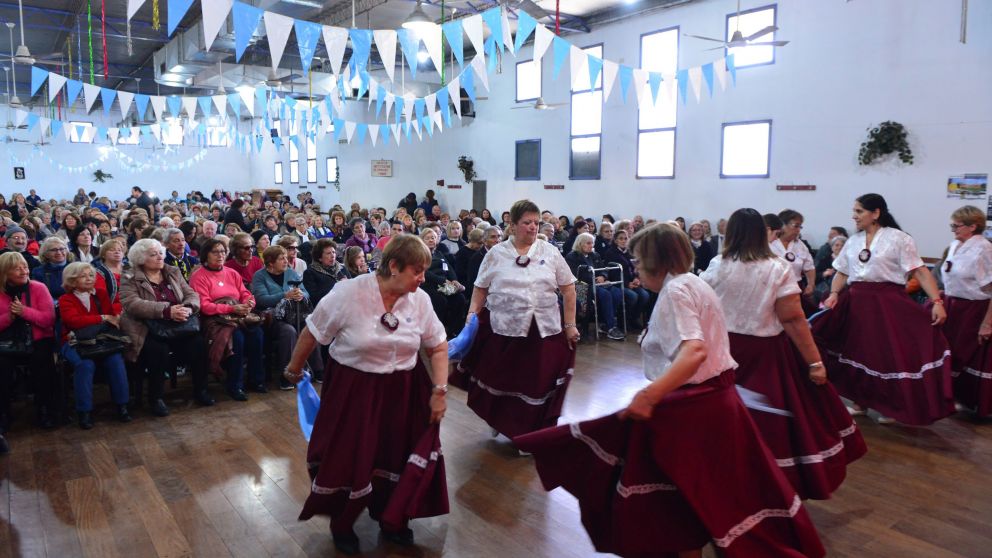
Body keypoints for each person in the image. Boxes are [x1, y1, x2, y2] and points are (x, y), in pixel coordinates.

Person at [514, 223, 825, 558]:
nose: (633, 265)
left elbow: (695, 351)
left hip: (694, 407)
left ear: (655, 261)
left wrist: (649, 395)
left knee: (676, 493)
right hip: (709, 401)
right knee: (688, 496)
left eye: (637, 258)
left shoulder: (677, 291)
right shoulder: (694, 282)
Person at [285, 234, 450, 555]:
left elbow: (438, 346)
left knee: (396, 454)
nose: (423, 278)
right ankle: (343, 523)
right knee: (351, 453)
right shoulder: (348, 292)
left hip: (404, 387)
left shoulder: (420, 300)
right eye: (417, 270)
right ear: (393, 266)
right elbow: (313, 332)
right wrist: (294, 368)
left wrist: (440, 390)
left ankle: (393, 519)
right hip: (354, 388)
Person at [701, 209, 866, 499]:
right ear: (763, 233)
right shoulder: (775, 267)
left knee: (727, 414)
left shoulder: (718, 263)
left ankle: (727, 475)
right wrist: (814, 362)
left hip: (723, 350)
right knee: (771, 420)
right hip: (763, 352)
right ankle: (765, 481)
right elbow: (792, 319)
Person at [814, 193, 953, 425]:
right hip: (857, 302)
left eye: (859, 211)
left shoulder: (899, 238)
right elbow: (842, 272)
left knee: (886, 353)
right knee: (857, 351)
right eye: (854, 211)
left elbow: (920, 271)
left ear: (876, 213)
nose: (854, 216)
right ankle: (860, 401)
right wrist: (835, 294)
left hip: (886, 303)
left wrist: (937, 302)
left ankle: (890, 405)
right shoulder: (854, 241)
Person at [458, 200, 578, 441]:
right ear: (512, 225)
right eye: (527, 223)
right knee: (503, 378)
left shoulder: (550, 251)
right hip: (505, 328)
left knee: (537, 382)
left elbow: (569, 289)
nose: (533, 228)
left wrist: (570, 324)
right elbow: (480, 289)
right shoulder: (496, 253)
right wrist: (471, 317)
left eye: (537, 222)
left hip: (544, 329)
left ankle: (528, 434)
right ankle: (500, 420)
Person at [120, 239, 213, 416]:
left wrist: (188, 307)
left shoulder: (172, 271)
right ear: (140, 258)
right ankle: (156, 398)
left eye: (160, 253)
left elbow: (191, 294)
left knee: (198, 344)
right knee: (158, 351)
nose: (159, 257)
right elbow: (132, 303)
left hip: (178, 323)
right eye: (153, 254)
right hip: (146, 327)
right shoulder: (130, 277)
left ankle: (201, 390)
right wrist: (166, 310)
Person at [189, 238, 264, 401]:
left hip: (237, 315)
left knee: (257, 334)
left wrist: (249, 302)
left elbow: (244, 292)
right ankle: (234, 385)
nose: (220, 255)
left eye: (223, 251)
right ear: (205, 255)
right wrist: (231, 308)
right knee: (236, 338)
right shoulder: (199, 276)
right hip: (215, 320)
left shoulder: (231, 273)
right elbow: (204, 306)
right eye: (215, 252)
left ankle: (255, 379)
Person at [58, 262, 132, 429]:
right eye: (83, 276)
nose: (89, 279)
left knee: (115, 361)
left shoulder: (100, 293)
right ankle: (84, 411)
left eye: (91, 275)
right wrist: (102, 317)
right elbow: (74, 321)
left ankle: (122, 405)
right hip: (74, 341)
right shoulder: (66, 299)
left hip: (100, 339)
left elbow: (111, 318)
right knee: (85, 365)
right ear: (71, 280)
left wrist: (106, 318)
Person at [0, 252, 58, 452]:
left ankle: (44, 408)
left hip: (38, 338)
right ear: (5, 273)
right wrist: (10, 316)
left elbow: (48, 320)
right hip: (5, 343)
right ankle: (3, 413)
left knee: (42, 360)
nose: (25, 271)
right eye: (18, 268)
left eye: (25, 266)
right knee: (2, 368)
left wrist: (24, 312)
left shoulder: (38, 288)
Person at [939, 206, 992, 416]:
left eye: (957, 225)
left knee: (968, 354)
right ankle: (950, 395)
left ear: (973, 226)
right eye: (952, 225)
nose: (953, 229)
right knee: (950, 351)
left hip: (975, 308)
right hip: (953, 305)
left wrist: (987, 323)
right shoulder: (954, 245)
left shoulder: (984, 249)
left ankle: (970, 399)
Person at [251, 245, 323, 390]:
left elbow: (305, 292)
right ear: (271, 262)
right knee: (288, 331)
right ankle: (288, 374)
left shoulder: (290, 272)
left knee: (310, 327)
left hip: (295, 313)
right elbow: (261, 299)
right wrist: (284, 295)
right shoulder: (260, 276)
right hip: (274, 318)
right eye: (281, 258)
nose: (286, 261)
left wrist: (301, 295)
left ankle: (318, 369)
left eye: (285, 257)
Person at [567, 232, 625, 340]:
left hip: (599, 283)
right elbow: (575, 274)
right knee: (606, 295)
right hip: (584, 286)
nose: (591, 246)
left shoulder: (595, 255)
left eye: (592, 243)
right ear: (580, 244)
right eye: (588, 243)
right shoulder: (572, 256)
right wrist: (594, 279)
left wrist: (603, 276)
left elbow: (603, 269)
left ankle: (604, 323)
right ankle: (610, 327)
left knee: (617, 292)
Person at [419, 229, 467, 338]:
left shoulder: (439, 253)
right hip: (428, 284)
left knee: (460, 299)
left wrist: (454, 280)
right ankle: (436, 331)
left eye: (433, 238)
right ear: (422, 240)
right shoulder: (420, 254)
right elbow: (424, 273)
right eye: (428, 238)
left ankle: (453, 329)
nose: (431, 240)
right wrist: (443, 281)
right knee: (441, 301)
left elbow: (449, 268)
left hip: (445, 284)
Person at [603, 229, 651, 330]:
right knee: (632, 296)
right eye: (621, 239)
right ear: (615, 240)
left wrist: (636, 278)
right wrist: (626, 284)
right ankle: (623, 321)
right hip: (618, 283)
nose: (624, 241)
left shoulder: (629, 252)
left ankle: (633, 318)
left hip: (631, 282)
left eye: (626, 238)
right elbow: (612, 272)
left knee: (644, 295)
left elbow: (634, 268)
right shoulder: (610, 253)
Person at [771, 210, 817, 315]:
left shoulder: (800, 245)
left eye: (800, 227)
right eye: (795, 226)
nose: (798, 230)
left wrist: (811, 284)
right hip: (774, 289)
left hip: (796, 287)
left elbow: (809, 267)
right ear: (782, 225)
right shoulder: (770, 242)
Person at [303, 238, 348, 306]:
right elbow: (314, 298)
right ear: (319, 258)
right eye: (328, 253)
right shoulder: (310, 273)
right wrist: (338, 286)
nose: (332, 256)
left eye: (333, 252)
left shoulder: (342, 268)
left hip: (345, 306)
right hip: (325, 310)